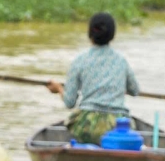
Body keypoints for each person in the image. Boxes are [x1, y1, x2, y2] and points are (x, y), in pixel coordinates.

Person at [45, 12, 141, 145]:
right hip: (117, 128)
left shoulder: (79, 61)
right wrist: (118, 87)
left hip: (87, 125)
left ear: (90, 34)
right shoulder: (121, 61)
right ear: (112, 36)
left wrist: (59, 89)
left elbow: (69, 102)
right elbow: (135, 91)